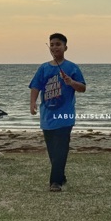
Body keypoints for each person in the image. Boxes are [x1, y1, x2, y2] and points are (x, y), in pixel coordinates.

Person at [29, 33, 87, 192]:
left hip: (65, 115)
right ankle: (60, 175)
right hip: (47, 116)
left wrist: (71, 82)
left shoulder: (72, 67)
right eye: (52, 44)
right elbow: (35, 86)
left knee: (61, 148)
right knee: (52, 150)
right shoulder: (44, 68)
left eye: (58, 44)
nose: (55, 47)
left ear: (65, 47)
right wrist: (32, 103)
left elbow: (82, 88)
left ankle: (55, 182)